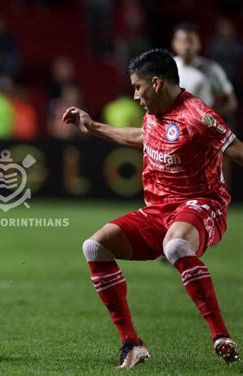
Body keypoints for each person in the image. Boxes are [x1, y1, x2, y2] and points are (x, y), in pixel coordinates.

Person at [62, 49, 242, 369]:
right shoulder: (155, 111)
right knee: (94, 246)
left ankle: (221, 335)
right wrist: (93, 127)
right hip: (157, 209)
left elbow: (238, 150)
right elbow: (141, 136)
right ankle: (132, 344)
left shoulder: (199, 116)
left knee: (175, 246)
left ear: (156, 83)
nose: (134, 95)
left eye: (137, 87)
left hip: (201, 204)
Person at [171, 22, 238, 117]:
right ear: (174, 43)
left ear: (199, 44)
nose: (186, 46)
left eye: (191, 41)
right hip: (175, 128)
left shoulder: (211, 68)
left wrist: (207, 116)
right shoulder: (167, 68)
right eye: (182, 41)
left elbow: (232, 103)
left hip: (203, 130)